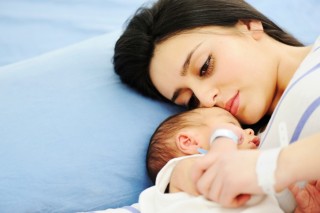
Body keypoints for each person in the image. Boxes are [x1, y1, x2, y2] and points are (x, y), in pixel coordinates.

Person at [113, 0, 320, 210]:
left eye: (205, 67)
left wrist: (272, 168)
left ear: (249, 25)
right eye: (191, 101)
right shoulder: (246, 145)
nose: (205, 99)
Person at [146, 106, 296, 213]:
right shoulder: (180, 169)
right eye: (231, 126)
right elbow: (208, 178)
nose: (249, 130)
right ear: (188, 142)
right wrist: (224, 138)